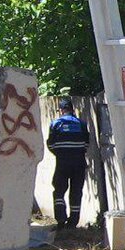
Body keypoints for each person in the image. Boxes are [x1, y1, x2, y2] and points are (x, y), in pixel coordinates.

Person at [47, 96, 90, 229]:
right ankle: (73, 222)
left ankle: (61, 220)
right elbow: (86, 144)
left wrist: (60, 154)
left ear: (61, 110)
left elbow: (50, 144)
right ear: (72, 109)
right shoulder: (81, 124)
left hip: (62, 162)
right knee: (76, 191)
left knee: (59, 190)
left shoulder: (56, 124)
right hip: (79, 163)